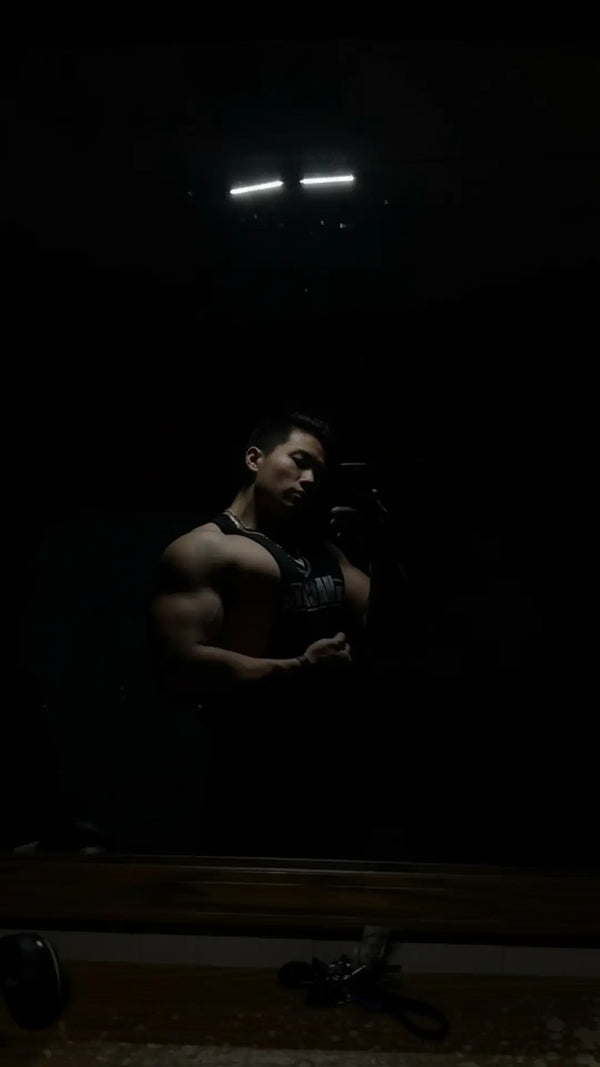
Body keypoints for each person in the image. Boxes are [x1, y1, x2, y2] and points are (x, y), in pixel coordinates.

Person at [151, 411, 371, 856]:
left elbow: (396, 624)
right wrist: (300, 668)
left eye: (319, 472)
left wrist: (379, 545)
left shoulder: (325, 552)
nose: (310, 479)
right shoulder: (203, 549)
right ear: (255, 459)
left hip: (332, 763)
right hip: (249, 766)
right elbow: (182, 664)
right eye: (299, 461)